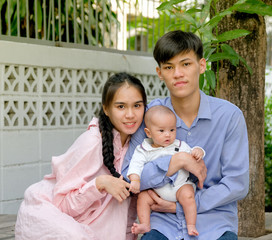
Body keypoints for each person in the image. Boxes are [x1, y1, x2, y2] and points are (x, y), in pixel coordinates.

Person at [121, 30, 249, 240]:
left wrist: (180, 205)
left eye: (186, 64)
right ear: (159, 72)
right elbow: (128, 176)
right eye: (169, 67)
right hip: (161, 223)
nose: (177, 73)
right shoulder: (150, 116)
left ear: (202, 65)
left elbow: (237, 183)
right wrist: (174, 162)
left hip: (213, 222)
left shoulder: (229, 116)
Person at [15, 72, 147, 240]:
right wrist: (100, 183)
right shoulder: (92, 142)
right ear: (106, 109)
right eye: (121, 106)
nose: (130, 114)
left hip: (93, 224)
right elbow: (63, 206)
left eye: (137, 106)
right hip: (50, 213)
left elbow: (127, 212)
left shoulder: (139, 144)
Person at [127, 105, 205, 236]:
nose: (168, 134)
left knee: (188, 195)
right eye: (161, 131)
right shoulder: (144, 149)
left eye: (172, 130)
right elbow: (135, 165)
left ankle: (191, 224)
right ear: (148, 132)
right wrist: (135, 179)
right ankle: (145, 224)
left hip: (180, 186)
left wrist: (199, 151)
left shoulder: (179, 145)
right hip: (158, 192)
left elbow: (192, 154)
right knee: (143, 197)